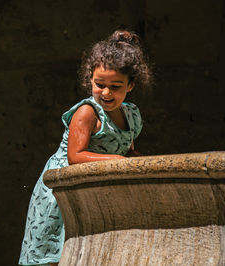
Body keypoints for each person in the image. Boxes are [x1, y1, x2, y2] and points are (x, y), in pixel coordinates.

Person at [18, 30, 152, 266]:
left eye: (116, 86)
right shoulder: (87, 113)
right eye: (100, 84)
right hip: (61, 194)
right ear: (90, 79)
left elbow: (126, 149)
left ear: (131, 85)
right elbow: (75, 156)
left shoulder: (131, 115)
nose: (106, 93)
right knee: (56, 256)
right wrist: (117, 161)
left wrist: (134, 160)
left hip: (94, 191)